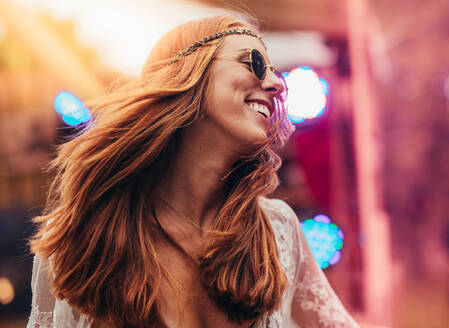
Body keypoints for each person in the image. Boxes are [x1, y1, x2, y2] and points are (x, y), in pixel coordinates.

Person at [26, 15, 360, 328]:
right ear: (190, 73)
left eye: (274, 71)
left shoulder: (277, 230)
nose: (276, 83)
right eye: (255, 64)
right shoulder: (83, 237)